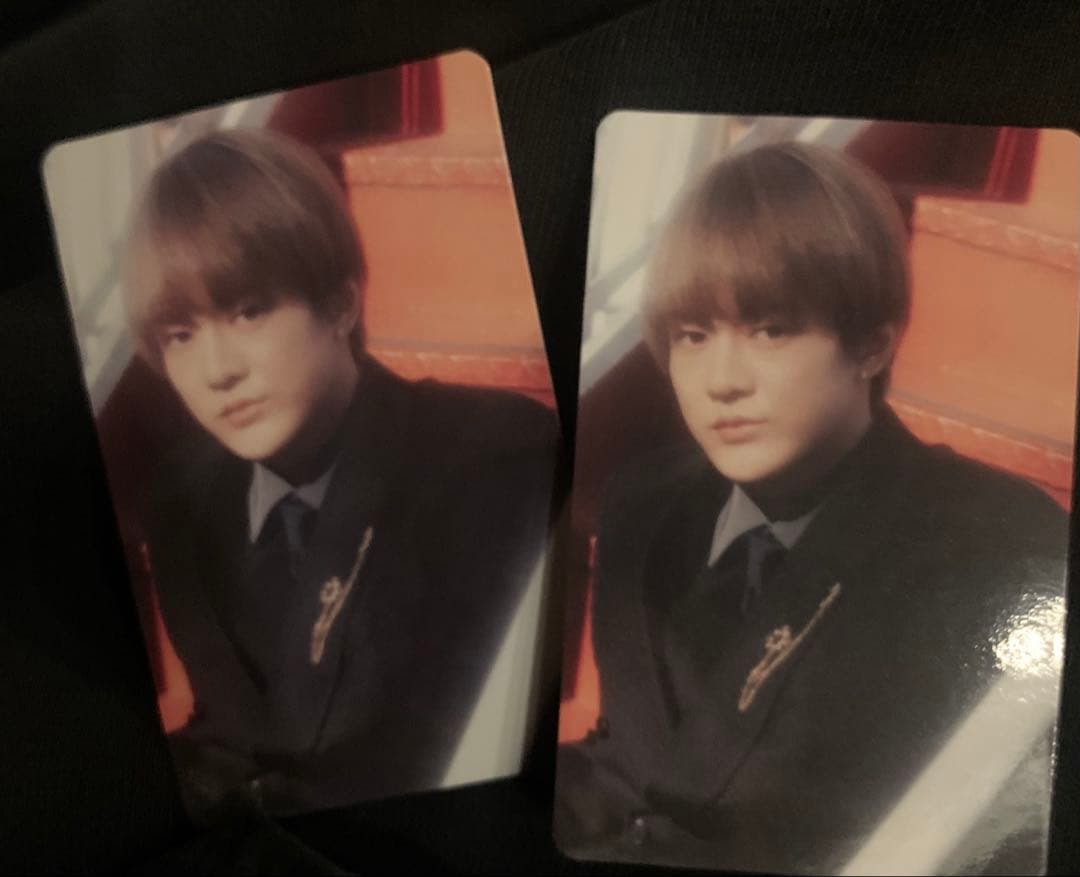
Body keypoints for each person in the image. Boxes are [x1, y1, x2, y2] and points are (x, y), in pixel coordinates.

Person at [555, 142, 1067, 873]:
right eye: (693, 336)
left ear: (871, 344)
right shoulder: (644, 503)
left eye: (771, 329)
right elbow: (632, 759)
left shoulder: (990, 550)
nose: (722, 381)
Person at [123, 128, 558, 818]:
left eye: (249, 311)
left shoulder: (492, 461)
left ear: (340, 304)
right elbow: (230, 732)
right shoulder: (182, 498)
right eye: (181, 335)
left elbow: (463, 754)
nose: (217, 371)